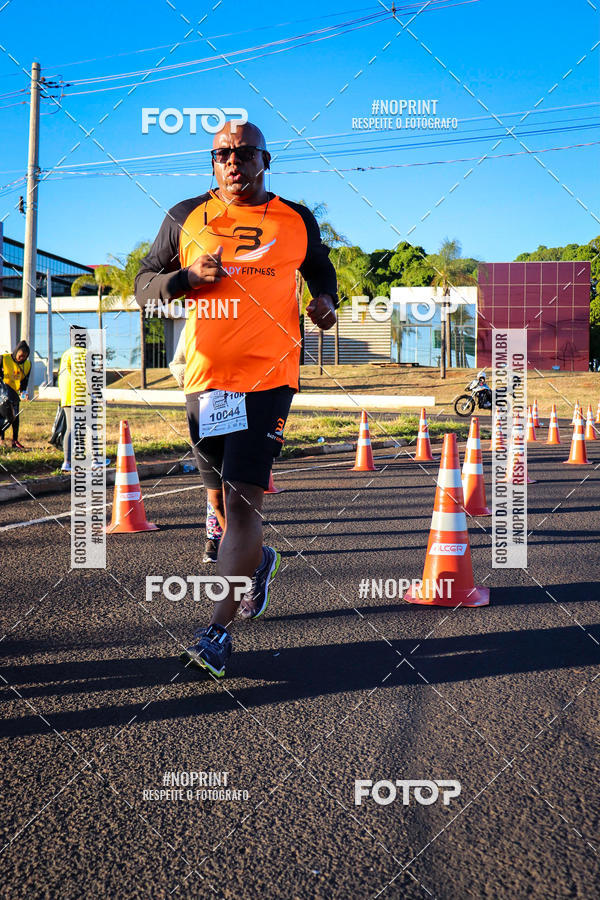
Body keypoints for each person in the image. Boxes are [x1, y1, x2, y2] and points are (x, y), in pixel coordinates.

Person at [135, 119, 338, 678]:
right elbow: (144, 287)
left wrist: (326, 302)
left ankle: (217, 631)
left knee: (244, 501)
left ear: (265, 161)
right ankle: (259, 561)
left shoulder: (296, 219)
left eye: (245, 153)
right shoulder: (186, 216)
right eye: (222, 153)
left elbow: (322, 272)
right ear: (213, 162)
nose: (233, 162)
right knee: (222, 507)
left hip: (270, 379)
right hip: (204, 381)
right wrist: (185, 279)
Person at [169, 325, 223, 563]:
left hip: (246, 399)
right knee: (216, 481)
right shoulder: (197, 318)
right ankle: (215, 537)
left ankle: (243, 540)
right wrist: (197, 380)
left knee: (239, 479)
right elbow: (178, 363)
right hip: (206, 399)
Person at [0, 340, 31, 450]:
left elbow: (24, 381)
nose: (22, 358)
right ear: (16, 352)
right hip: (2, 391)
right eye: (20, 355)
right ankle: (1, 439)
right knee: (2, 416)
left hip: (14, 392)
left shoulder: (27, 365)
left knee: (15, 417)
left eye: (25, 356)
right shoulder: (3, 358)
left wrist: (24, 392)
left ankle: (15, 440)